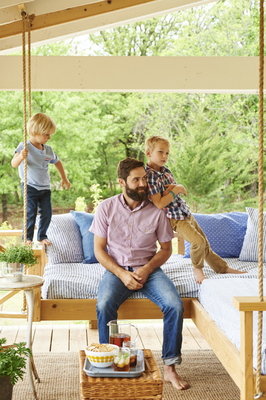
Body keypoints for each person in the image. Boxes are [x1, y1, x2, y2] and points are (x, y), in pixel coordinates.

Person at [90, 157, 189, 391]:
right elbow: (99, 250)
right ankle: (109, 363)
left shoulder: (157, 210)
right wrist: (122, 274)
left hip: (150, 269)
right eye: (136, 180)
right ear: (122, 182)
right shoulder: (106, 208)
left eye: (144, 178)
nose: (143, 184)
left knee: (174, 305)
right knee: (104, 305)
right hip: (117, 270)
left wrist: (146, 269)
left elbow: (166, 249)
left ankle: (170, 368)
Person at [145, 135, 247, 284]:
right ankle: (197, 269)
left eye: (167, 153)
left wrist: (174, 189)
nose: (165, 156)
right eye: (160, 152)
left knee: (204, 243)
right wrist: (177, 189)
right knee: (197, 242)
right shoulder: (150, 176)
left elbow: (170, 194)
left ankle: (222, 268)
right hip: (174, 217)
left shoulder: (165, 171)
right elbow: (160, 203)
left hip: (184, 211)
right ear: (148, 153)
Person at [11, 112, 70, 246]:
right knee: (30, 213)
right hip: (30, 186)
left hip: (45, 188)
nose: (49, 138)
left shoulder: (48, 150)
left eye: (50, 135)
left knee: (47, 214)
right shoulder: (24, 147)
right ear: (35, 131)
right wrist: (21, 156)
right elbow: (14, 164)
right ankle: (27, 238)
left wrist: (64, 178)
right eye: (47, 134)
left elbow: (57, 162)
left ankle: (42, 236)